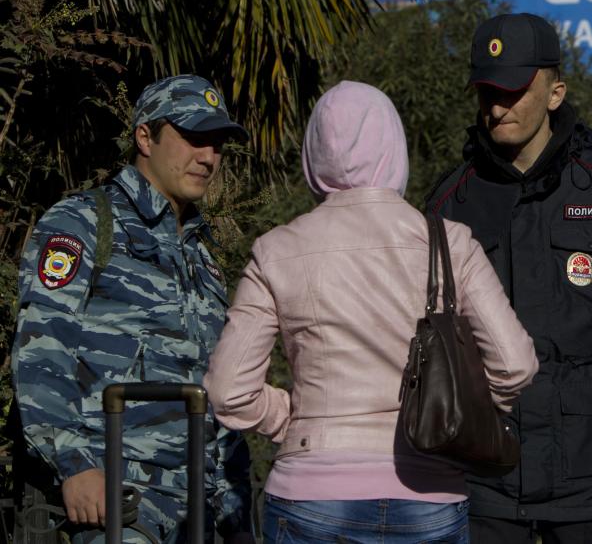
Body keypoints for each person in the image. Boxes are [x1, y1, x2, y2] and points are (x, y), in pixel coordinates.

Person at [204, 80, 539, 544]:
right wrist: (462, 412)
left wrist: (290, 415)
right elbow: (516, 364)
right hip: (429, 496)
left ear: (313, 155)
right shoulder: (449, 242)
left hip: (311, 493)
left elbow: (227, 392)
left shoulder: (276, 250)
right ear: (394, 148)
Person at [425, 12, 592, 543]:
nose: (499, 108)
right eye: (487, 92)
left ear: (555, 91)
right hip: (484, 476)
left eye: (515, 90)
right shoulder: (450, 202)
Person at [11, 75, 254, 543]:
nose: (208, 157)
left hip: (202, 509)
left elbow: (216, 387)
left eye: (217, 143)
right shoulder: (83, 223)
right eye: (193, 137)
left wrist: (237, 505)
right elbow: (41, 352)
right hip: (118, 501)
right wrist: (74, 466)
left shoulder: (203, 257)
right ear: (145, 136)